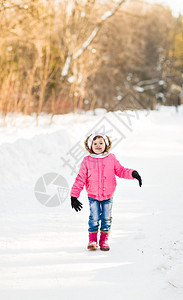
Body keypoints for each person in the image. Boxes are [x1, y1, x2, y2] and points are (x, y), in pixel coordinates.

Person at [70, 133, 142, 251]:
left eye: (101, 143)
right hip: (93, 195)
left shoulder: (111, 158)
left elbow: (121, 170)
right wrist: (74, 196)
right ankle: (92, 240)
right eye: (95, 143)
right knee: (93, 217)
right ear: (90, 145)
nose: (98, 145)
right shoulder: (87, 161)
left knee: (106, 218)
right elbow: (80, 178)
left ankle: (104, 240)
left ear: (106, 144)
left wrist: (133, 173)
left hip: (108, 195)